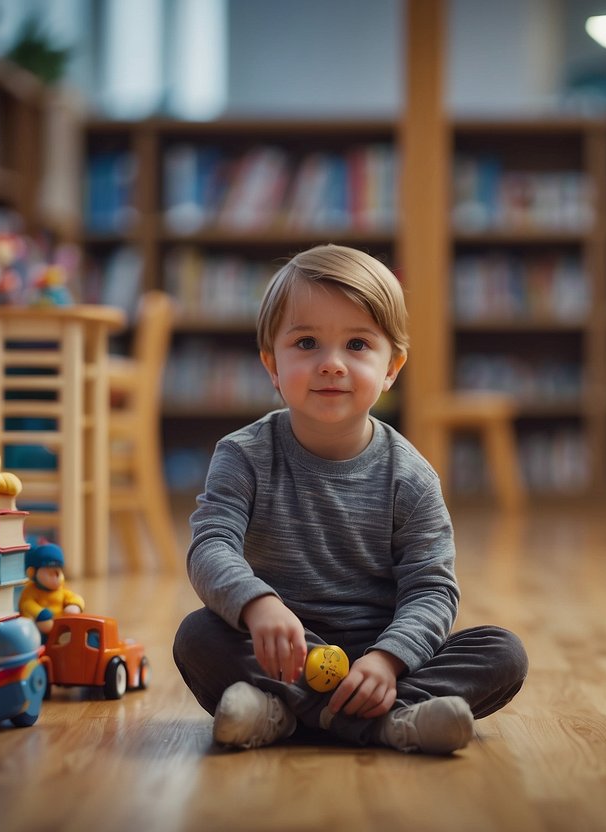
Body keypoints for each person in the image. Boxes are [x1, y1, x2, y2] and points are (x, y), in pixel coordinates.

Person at [172, 244, 527, 754]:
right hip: (280, 651)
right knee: (197, 635)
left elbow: (431, 589)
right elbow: (210, 546)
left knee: (502, 651)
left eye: (358, 345)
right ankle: (386, 724)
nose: (332, 364)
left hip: (379, 658)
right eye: (308, 342)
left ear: (392, 369)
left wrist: (388, 660)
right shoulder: (242, 455)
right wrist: (259, 606)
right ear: (272, 364)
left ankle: (287, 716)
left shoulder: (411, 476)